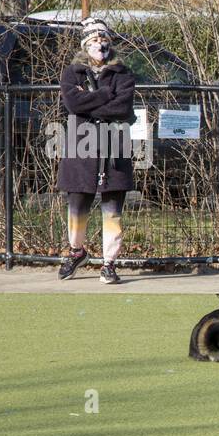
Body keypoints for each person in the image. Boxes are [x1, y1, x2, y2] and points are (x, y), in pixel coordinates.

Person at [56, 17, 137, 284]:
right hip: (81, 148)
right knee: (77, 205)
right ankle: (76, 251)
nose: (99, 44)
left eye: (103, 39)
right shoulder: (72, 72)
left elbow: (122, 108)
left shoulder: (123, 73)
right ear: (85, 44)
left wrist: (89, 102)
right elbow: (72, 103)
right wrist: (105, 96)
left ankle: (109, 263)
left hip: (114, 148)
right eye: (93, 40)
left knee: (112, 209)